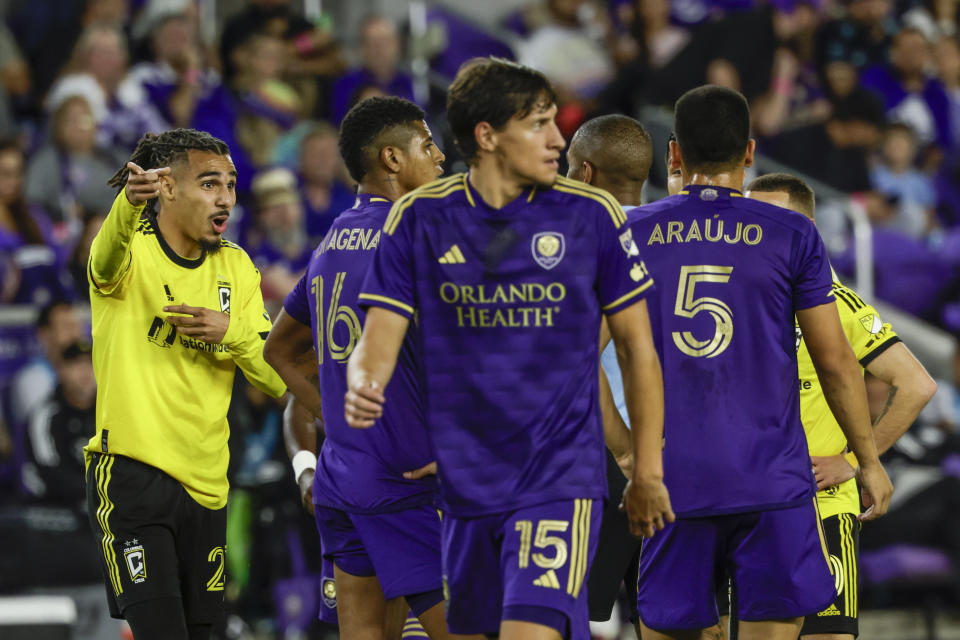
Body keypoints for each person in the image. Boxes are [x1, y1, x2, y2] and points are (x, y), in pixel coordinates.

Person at [344, 57, 665, 640]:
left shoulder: (592, 214)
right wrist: (366, 378)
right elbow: (379, 333)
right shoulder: (419, 218)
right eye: (539, 124)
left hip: (558, 479)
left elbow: (637, 349)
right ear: (488, 137)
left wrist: (646, 470)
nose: (558, 137)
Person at [621, 85, 893, 640]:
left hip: (677, 479)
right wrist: (867, 460)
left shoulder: (632, 232)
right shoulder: (794, 232)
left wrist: (630, 452)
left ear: (673, 154)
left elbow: (578, 355)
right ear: (749, 153)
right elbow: (837, 363)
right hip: (773, 480)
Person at [263, 96, 467, 640]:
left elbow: (278, 350)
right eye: (427, 145)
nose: (441, 157)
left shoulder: (330, 242)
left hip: (343, 480)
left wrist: (333, 417)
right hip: (406, 481)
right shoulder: (418, 237)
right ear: (392, 159)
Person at [84, 128, 286, 640]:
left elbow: (277, 377)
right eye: (210, 184)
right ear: (168, 188)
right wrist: (126, 207)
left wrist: (230, 333)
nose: (225, 198)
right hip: (134, 477)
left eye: (231, 185)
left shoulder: (237, 267)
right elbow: (101, 262)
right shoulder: (131, 252)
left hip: (208, 489)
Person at [744, 172, 937, 640]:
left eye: (773, 220)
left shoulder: (836, 304)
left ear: (807, 230)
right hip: (748, 505)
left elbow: (916, 383)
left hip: (821, 508)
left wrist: (854, 462)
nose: (757, 232)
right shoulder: (741, 298)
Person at [563, 114, 652, 633]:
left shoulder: (573, 242)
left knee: (566, 617)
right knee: (679, 620)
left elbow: (576, 354)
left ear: (585, 174)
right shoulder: (673, 239)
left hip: (596, 456)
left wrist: (621, 450)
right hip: (675, 459)